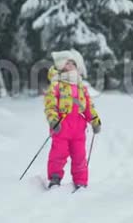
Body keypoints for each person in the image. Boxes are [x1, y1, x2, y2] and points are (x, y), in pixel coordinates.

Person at [44, 49, 101, 190]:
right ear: (61, 66)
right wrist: (53, 120)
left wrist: (94, 120)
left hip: (78, 128)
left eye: (73, 63)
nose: (70, 65)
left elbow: (88, 106)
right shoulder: (56, 84)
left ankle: (81, 181)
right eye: (67, 63)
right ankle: (55, 178)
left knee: (79, 156)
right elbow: (50, 105)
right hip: (61, 126)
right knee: (58, 154)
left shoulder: (80, 86)